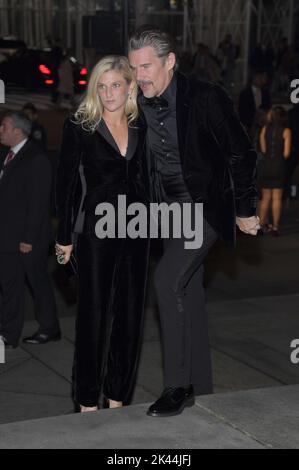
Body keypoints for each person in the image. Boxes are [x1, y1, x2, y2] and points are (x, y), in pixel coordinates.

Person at [128, 26, 259, 418]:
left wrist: (245, 207)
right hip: (167, 214)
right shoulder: (138, 102)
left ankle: (177, 386)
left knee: (167, 282)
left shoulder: (205, 97)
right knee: (190, 292)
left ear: (170, 62)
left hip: (205, 207)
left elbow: (242, 153)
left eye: (147, 66)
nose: (140, 76)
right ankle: (202, 384)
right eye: (135, 68)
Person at [55, 56, 149, 412]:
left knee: (130, 318)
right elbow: (65, 187)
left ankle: (117, 397)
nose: (108, 93)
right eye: (102, 85)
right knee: (92, 317)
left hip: (137, 232)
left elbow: (152, 178)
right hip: (96, 232)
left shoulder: (143, 125)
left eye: (115, 85)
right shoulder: (81, 125)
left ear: (129, 87)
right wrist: (64, 237)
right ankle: (86, 401)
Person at [0, 112, 60, 348]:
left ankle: (50, 328)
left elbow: (38, 204)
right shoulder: (7, 155)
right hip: (7, 236)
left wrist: (28, 238)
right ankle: (8, 332)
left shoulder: (36, 159)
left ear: (17, 131)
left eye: (3, 127)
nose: (0, 131)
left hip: (28, 238)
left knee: (37, 282)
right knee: (10, 285)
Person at [258, 106, 291, 235]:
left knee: (265, 198)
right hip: (279, 167)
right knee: (277, 198)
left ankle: (260, 226)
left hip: (266, 166)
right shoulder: (286, 131)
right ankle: (275, 228)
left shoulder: (264, 129)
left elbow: (264, 150)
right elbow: (286, 153)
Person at [238, 70, 272, 139]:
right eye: (259, 77)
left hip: (264, 125)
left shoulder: (266, 93)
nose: (261, 79)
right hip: (249, 125)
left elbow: (268, 107)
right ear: (254, 77)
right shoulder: (245, 93)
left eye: (263, 77)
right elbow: (242, 111)